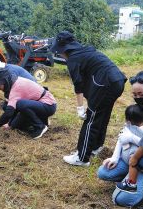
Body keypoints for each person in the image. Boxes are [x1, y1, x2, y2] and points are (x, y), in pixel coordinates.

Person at [50, 31, 126, 166]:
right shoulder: (84, 52)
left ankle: (82, 157)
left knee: (91, 119)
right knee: (102, 116)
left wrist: (80, 107)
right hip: (117, 81)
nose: (60, 54)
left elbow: (78, 85)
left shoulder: (73, 59)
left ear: (64, 49)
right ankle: (96, 147)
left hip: (106, 83)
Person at [98, 71, 143, 207]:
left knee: (122, 200)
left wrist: (132, 137)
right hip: (133, 161)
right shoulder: (137, 110)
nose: (137, 98)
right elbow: (123, 135)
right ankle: (130, 177)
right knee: (103, 172)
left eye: (141, 95)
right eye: (135, 95)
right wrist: (114, 157)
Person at [0, 68, 57, 139]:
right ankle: (42, 119)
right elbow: (11, 109)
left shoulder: (16, 87)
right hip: (37, 104)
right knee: (14, 124)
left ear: (5, 81)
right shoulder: (13, 82)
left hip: (49, 105)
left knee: (20, 104)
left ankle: (40, 126)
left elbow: (8, 113)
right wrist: (9, 124)